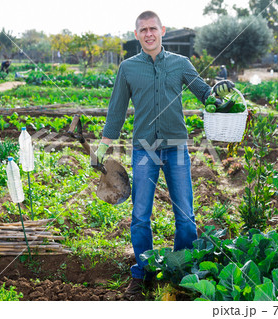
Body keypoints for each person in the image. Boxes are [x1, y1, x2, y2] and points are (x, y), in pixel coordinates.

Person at [92, 11, 234, 297]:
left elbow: (204, 93)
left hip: (176, 149)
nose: (148, 34)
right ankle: (143, 272)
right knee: (140, 215)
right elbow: (116, 111)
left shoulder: (180, 64)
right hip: (144, 150)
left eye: (152, 28)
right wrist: (103, 147)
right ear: (137, 34)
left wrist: (224, 98)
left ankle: (180, 271)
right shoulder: (128, 68)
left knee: (185, 216)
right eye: (143, 30)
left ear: (162, 30)